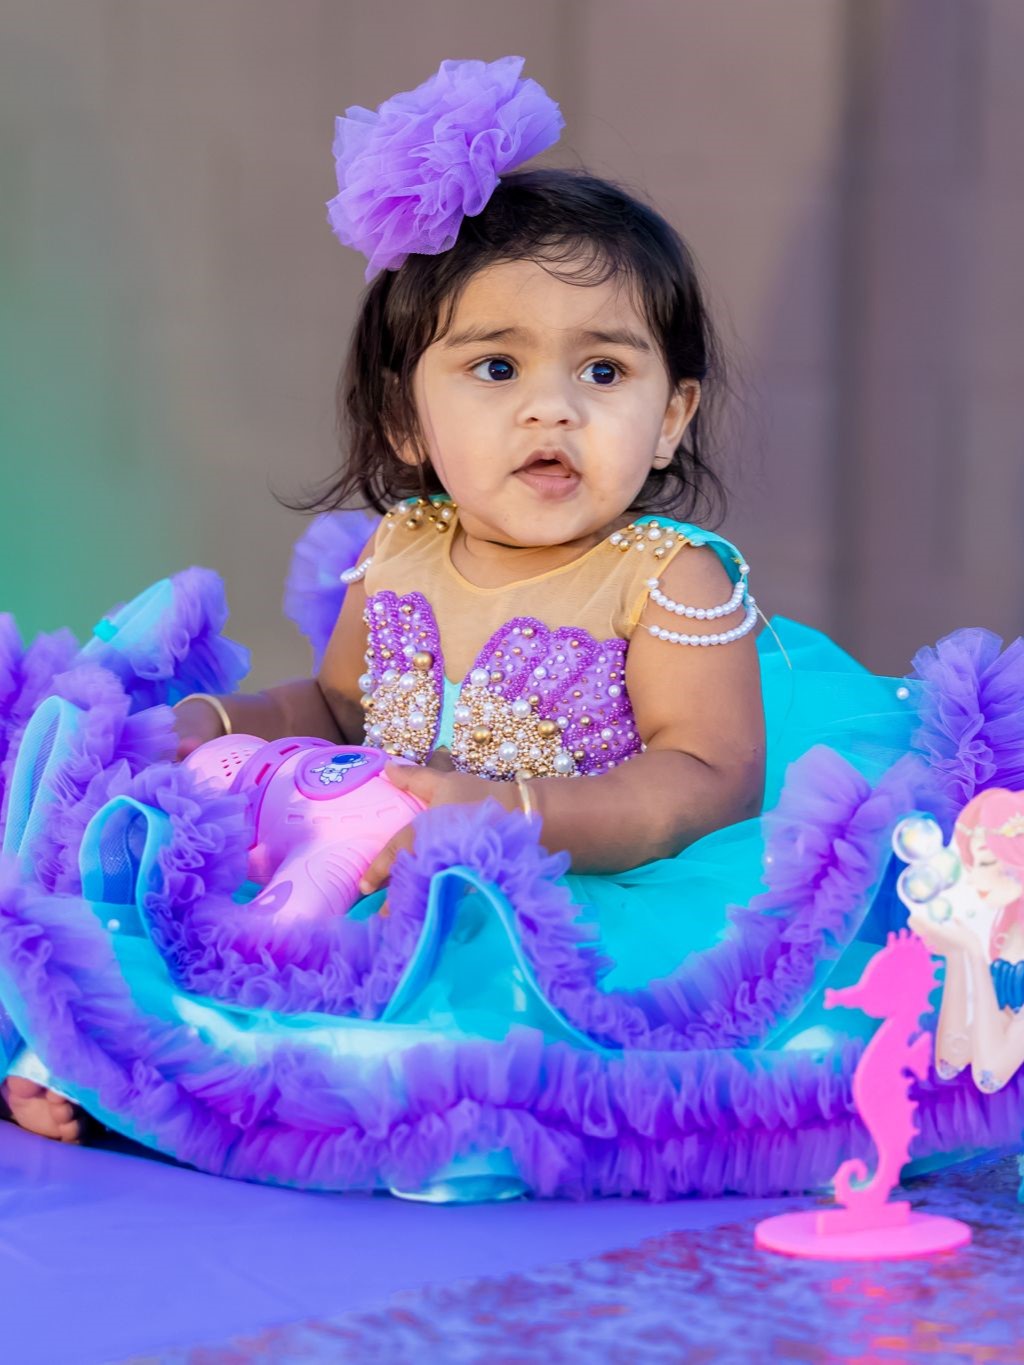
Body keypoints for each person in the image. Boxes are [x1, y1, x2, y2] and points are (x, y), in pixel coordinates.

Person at [1, 57, 996, 1198]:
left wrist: (515, 815)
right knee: (181, 916)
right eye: (495, 365)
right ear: (406, 417)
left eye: (605, 370)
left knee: (479, 1040)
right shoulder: (404, 550)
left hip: (586, 882)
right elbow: (337, 704)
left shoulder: (668, 583)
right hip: (384, 852)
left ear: (670, 419)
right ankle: (118, 1072)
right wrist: (214, 720)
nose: (551, 406)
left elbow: (705, 779)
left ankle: (390, 1121)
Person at [910, 788, 1024, 1092]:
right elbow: (951, 1062)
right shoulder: (1003, 929)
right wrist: (957, 954)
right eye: (972, 863)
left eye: (985, 863)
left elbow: (990, 1077)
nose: (973, 878)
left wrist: (970, 952)